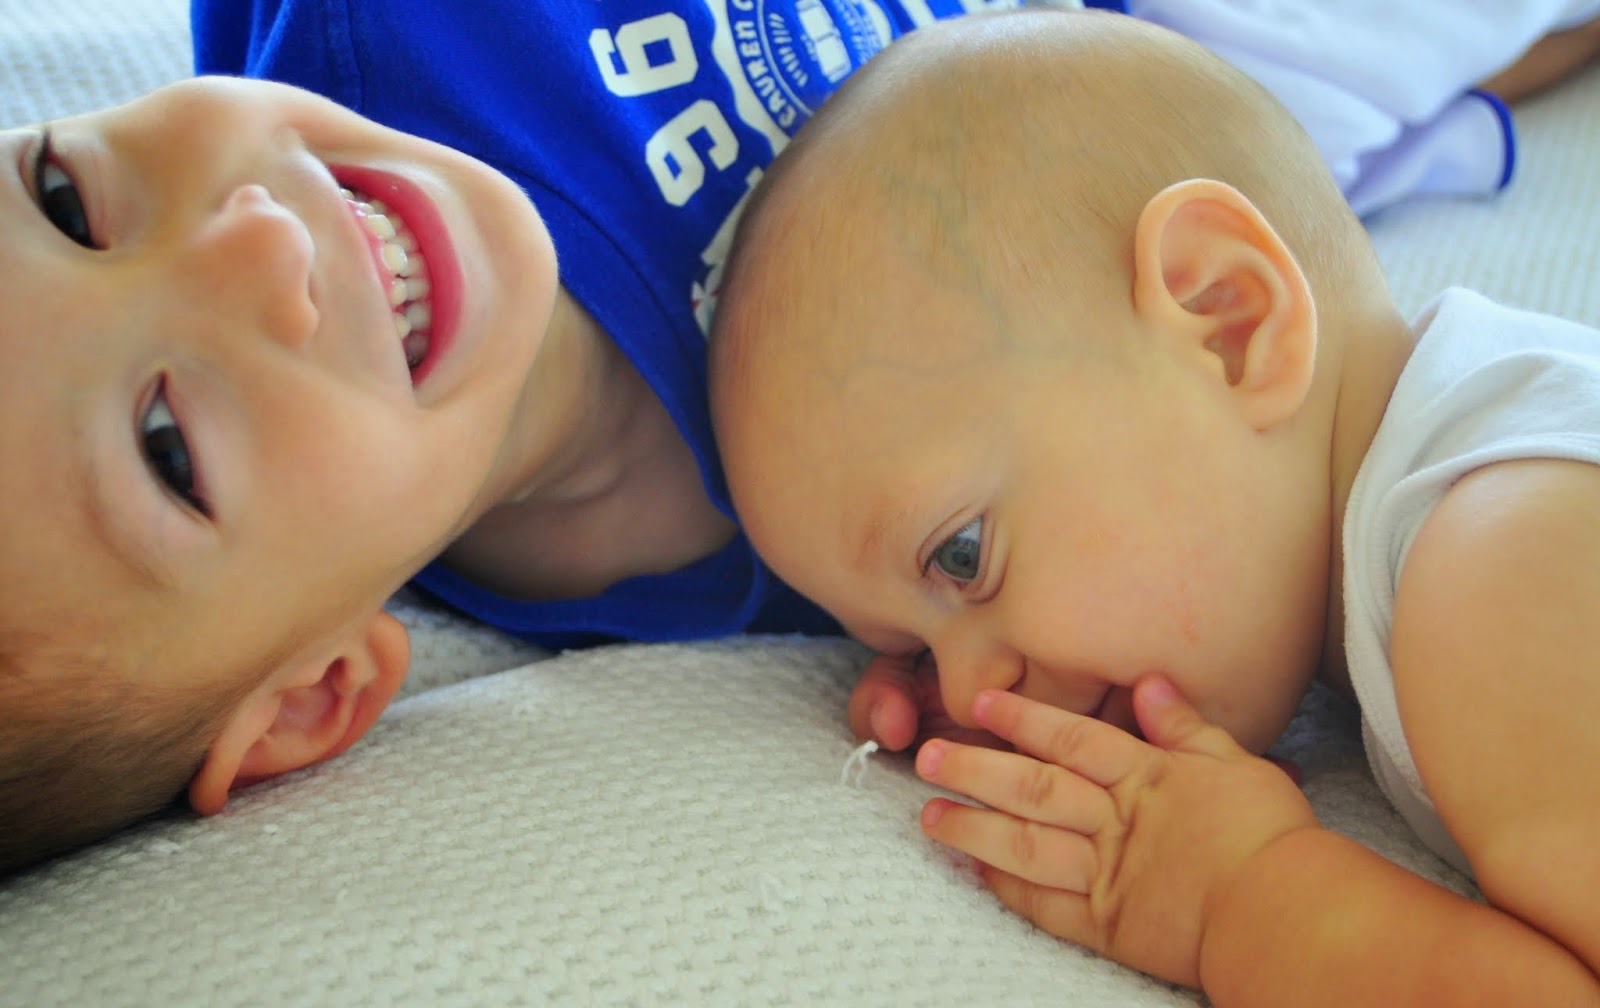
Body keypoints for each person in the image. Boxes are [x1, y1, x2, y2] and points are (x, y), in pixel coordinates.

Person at [1, 0, 1595, 880]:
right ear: (309, 701)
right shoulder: (658, 607)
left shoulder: (382, 31)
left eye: (65, 199)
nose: (252, 244)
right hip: (1238, 192)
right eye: (169, 444)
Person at [709, 10, 1600, 1008]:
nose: (973, 688)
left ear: (1227, 324)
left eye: (962, 555)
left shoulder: (1501, 573)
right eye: (910, 648)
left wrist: (1243, 898)